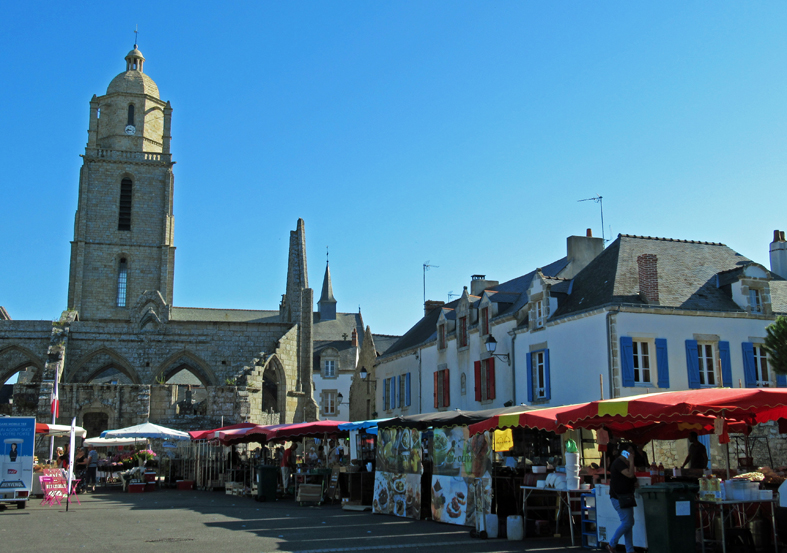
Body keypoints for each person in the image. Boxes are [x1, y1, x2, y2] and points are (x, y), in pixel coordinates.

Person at [607, 443, 636, 553]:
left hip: (625, 496)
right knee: (627, 523)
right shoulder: (619, 463)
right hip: (619, 497)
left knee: (628, 523)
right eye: (630, 451)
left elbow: (632, 477)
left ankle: (629, 549)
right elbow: (630, 475)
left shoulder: (623, 463)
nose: (632, 453)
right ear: (624, 452)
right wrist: (632, 461)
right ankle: (612, 544)